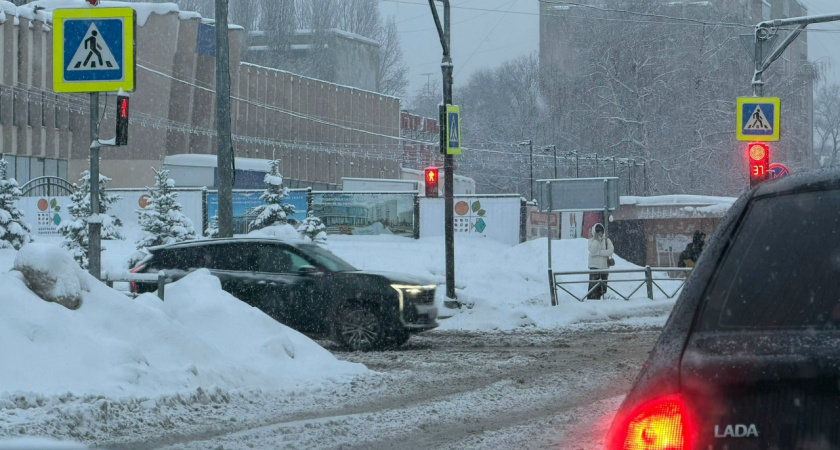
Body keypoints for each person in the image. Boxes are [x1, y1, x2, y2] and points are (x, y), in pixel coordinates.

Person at [587, 223, 614, 300]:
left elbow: (610, 251)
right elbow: (592, 251)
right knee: (593, 287)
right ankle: (591, 301)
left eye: (601, 231)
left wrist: (599, 253)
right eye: (597, 231)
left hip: (604, 268)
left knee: (603, 288)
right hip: (594, 267)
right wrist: (596, 241)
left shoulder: (606, 240)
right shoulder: (591, 241)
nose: (599, 233)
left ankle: (601, 301)